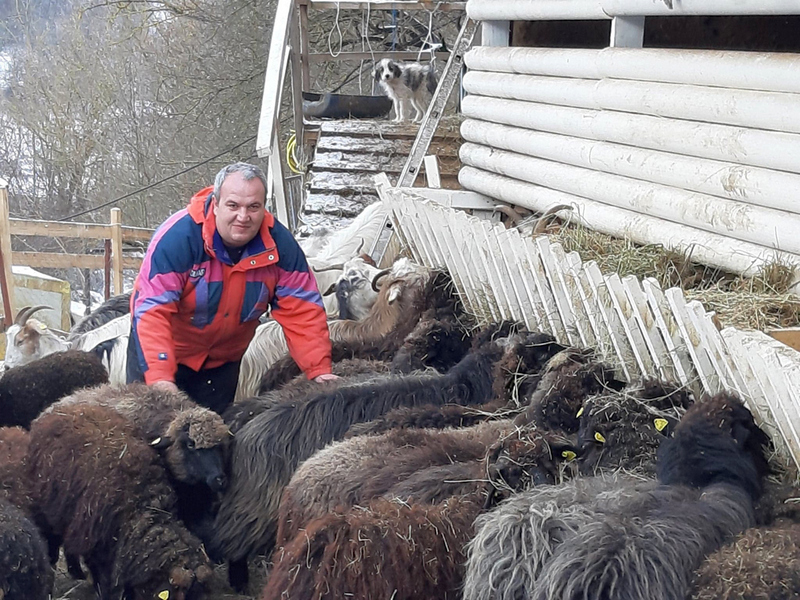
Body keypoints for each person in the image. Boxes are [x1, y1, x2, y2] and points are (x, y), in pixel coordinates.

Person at [127, 162, 336, 413]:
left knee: (210, 441)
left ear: (263, 208)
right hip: (162, 355)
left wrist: (319, 370)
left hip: (221, 365)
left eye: (253, 207)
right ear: (215, 203)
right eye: (233, 205)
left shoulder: (281, 248)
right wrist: (160, 378)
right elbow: (152, 310)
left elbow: (302, 310)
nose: (243, 217)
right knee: (149, 437)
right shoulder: (177, 239)